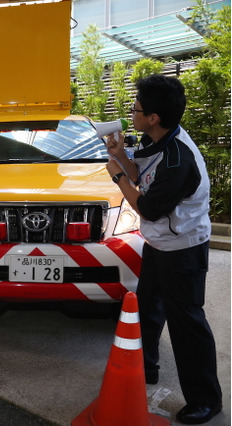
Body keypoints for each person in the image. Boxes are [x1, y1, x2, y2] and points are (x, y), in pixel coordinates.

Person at [105, 74, 222, 425]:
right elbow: (141, 173)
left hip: (183, 248)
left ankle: (206, 400)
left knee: (187, 323)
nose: (132, 113)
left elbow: (148, 206)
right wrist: (120, 156)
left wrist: (117, 177)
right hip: (158, 242)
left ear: (154, 117)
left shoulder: (178, 160)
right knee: (148, 309)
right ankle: (147, 367)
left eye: (136, 108)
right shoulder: (154, 138)